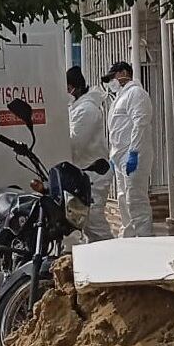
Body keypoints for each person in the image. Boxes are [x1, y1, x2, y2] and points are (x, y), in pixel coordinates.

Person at [102, 61, 155, 238]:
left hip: (134, 155)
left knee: (136, 199)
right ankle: (128, 237)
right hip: (119, 156)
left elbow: (140, 124)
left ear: (124, 73)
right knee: (123, 198)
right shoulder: (120, 97)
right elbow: (118, 128)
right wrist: (113, 155)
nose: (111, 82)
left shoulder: (136, 93)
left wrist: (134, 152)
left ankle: (145, 238)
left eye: (113, 77)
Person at [67, 66, 113, 242]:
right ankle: (99, 254)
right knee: (86, 223)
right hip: (84, 172)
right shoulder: (77, 107)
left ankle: (112, 252)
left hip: (94, 173)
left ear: (75, 88)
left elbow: (75, 142)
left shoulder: (87, 110)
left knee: (94, 222)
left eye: (67, 88)